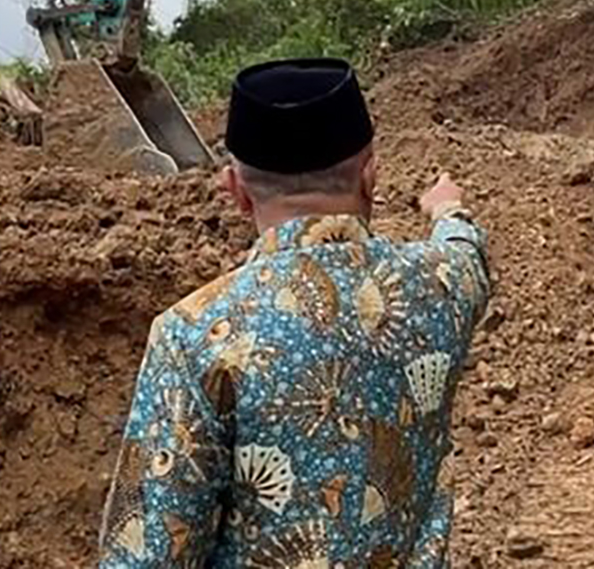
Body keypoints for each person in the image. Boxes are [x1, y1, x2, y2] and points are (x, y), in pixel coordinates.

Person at [97, 57, 489, 568]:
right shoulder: (441, 286)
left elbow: (149, 552)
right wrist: (446, 209)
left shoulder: (194, 335)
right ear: (371, 176)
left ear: (235, 191)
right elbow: (468, 251)